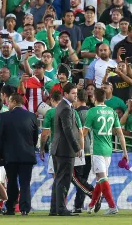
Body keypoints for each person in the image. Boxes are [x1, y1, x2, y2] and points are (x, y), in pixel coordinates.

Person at [83, 88, 128, 215]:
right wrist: (124, 152)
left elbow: (84, 133)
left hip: (97, 149)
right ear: (105, 99)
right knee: (100, 178)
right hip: (109, 149)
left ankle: (112, 206)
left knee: (102, 177)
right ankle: (91, 205)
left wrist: (77, 146)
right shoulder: (111, 112)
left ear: (94, 98)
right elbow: (120, 134)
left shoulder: (92, 111)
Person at [0, 93, 38, 215]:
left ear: (13, 101)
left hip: (10, 156)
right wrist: (30, 148)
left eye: (8, 101)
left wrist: (0, 154)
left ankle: (10, 208)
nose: (7, 103)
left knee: (12, 182)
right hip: (27, 155)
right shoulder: (31, 116)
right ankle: (25, 209)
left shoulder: (4, 117)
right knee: (25, 183)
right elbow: (35, 137)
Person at [49, 83, 82, 216]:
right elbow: (68, 130)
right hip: (65, 150)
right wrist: (76, 147)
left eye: (76, 93)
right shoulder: (66, 109)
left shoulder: (61, 106)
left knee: (58, 179)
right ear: (66, 94)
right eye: (73, 93)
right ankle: (61, 208)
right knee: (64, 180)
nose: (76, 95)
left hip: (58, 148)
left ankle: (54, 209)